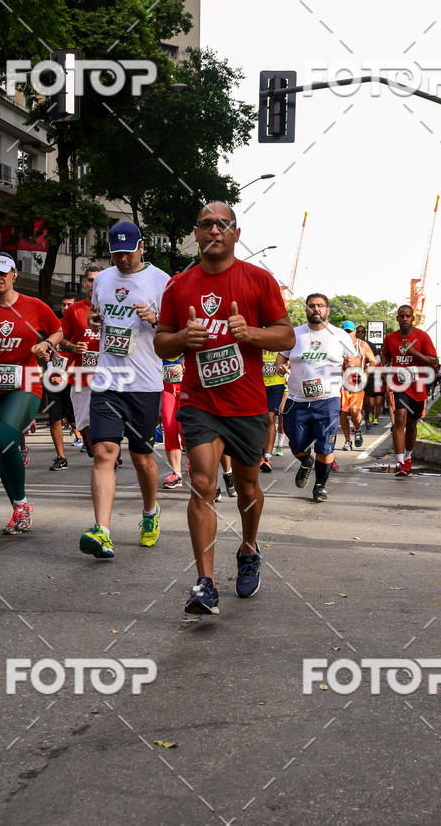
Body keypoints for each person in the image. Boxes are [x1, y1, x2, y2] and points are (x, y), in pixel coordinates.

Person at [154, 201, 294, 615]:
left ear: (235, 233)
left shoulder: (258, 280)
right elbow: (161, 340)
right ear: (195, 234)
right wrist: (183, 339)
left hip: (247, 404)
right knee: (203, 483)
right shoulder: (179, 286)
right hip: (200, 403)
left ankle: (249, 549)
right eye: (206, 225)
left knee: (248, 488)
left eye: (223, 224)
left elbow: (286, 336)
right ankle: (205, 583)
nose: (214, 231)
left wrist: (249, 333)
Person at [78, 222, 170, 559]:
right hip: (107, 381)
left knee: (142, 458)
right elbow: (95, 313)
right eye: (116, 253)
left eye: (128, 252)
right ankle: (102, 531)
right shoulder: (102, 279)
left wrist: (156, 318)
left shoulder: (161, 281)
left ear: (141, 246)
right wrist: (93, 320)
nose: (122, 259)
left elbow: (172, 331)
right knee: (103, 452)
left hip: (144, 384)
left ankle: (150, 512)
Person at [0, 253, 62, 532]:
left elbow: (57, 331)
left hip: (26, 382)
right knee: (1, 444)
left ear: (14, 274)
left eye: (3, 272)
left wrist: (47, 346)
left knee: (3, 436)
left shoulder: (34, 306)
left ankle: (22, 504)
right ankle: (19, 506)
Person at [276, 294, 356, 502]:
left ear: (327, 310)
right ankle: (305, 461)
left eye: (320, 305)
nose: (316, 309)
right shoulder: (295, 334)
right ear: (306, 310)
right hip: (297, 399)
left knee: (325, 445)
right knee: (296, 445)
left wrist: (352, 362)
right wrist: (280, 366)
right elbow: (282, 356)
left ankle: (320, 487)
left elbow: (354, 359)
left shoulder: (340, 335)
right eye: (312, 306)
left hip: (328, 399)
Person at [381, 304, 439, 477]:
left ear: (413, 318)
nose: (405, 319)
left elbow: (434, 362)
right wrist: (386, 367)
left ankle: (408, 457)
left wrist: (414, 352)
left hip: (418, 386)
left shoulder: (422, 337)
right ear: (397, 318)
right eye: (401, 316)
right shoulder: (390, 338)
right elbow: (385, 355)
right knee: (400, 417)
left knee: (412, 424)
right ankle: (399, 462)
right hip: (399, 385)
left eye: (408, 316)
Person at [60, 267, 102, 458]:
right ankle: (95, 450)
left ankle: (108, 454)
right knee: (84, 421)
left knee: (107, 419)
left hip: (108, 374)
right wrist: (73, 348)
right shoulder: (74, 310)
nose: (93, 285)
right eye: (90, 280)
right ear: (84, 283)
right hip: (81, 375)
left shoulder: (112, 307)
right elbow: (62, 339)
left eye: (97, 280)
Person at [44, 292, 80, 471]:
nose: (66, 308)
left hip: (74, 379)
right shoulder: (54, 326)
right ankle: (61, 457)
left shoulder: (80, 325)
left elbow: (81, 355)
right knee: (55, 419)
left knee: (79, 421)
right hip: (53, 379)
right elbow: (46, 350)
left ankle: (103, 451)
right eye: (64, 305)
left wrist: (65, 375)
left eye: (70, 305)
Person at [339, 320, 376, 450]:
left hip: (357, 384)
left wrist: (365, 375)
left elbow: (373, 362)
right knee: (343, 413)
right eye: (345, 332)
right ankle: (348, 440)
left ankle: (357, 429)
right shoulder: (337, 345)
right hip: (341, 384)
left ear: (354, 331)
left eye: (350, 331)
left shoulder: (362, 345)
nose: (348, 334)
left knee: (355, 412)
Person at [260, 347, 286, 472]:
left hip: (276, 384)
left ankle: (267, 458)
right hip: (257, 382)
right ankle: (259, 454)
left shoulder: (278, 331)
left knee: (270, 417)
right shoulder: (255, 331)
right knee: (258, 419)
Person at [161, 353, 185, 488]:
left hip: (187, 389)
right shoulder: (162, 338)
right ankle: (176, 474)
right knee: (169, 429)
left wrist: (184, 366)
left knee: (185, 430)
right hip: (167, 389)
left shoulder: (189, 336)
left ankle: (193, 465)